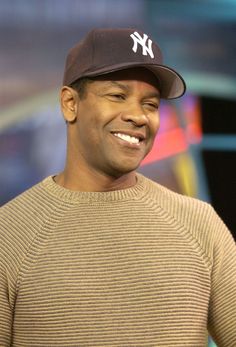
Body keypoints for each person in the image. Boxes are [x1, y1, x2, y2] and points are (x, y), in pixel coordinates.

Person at [0, 28, 235, 347]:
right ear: (70, 103)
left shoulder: (199, 224)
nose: (138, 116)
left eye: (150, 104)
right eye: (118, 96)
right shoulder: (11, 233)